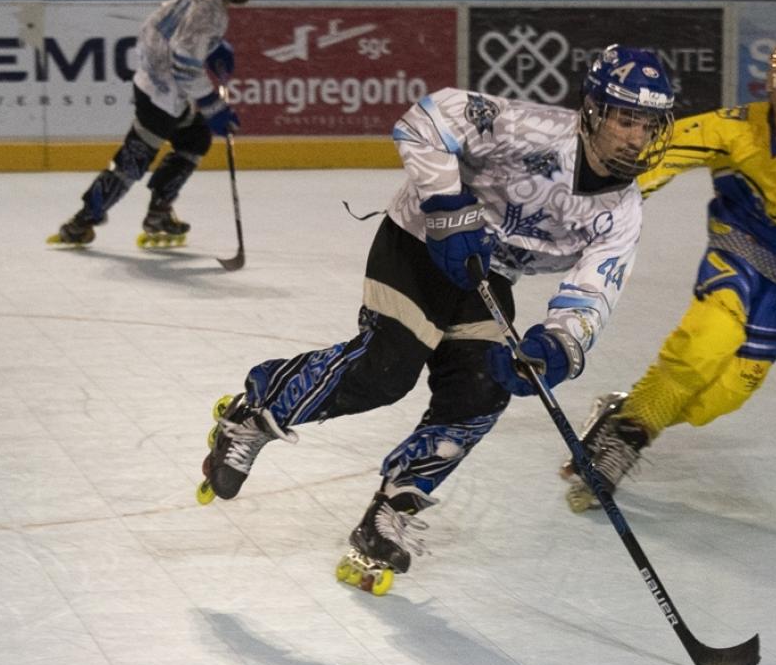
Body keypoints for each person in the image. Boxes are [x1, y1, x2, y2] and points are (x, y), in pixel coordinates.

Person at [197, 46, 678, 594]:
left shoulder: (623, 210)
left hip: (486, 275)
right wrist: (448, 204)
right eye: (624, 119)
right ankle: (255, 410)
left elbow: (593, 294)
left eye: (647, 124)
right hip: (419, 241)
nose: (636, 137)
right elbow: (429, 116)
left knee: (483, 390)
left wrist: (554, 346)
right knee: (386, 369)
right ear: (593, 110)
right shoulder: (534, 130)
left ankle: (390, 510)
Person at [558, 32, 776, 513]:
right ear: (770, 88)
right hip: (738, 255)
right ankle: (621, 444)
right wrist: (603, 200)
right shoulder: (735, 128)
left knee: (720, 399)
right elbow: (661, 155)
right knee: (705, 345)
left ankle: (625, 411)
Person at [47, 0, 260, 248]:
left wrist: (210, 49)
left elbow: (158, 29)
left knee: (194, 138)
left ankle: (158, 211)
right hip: (160, 96)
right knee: (133, 162)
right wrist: (213, 105)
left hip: (162, 89)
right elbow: (185, 62)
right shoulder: (209, 12)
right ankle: (82, 221)